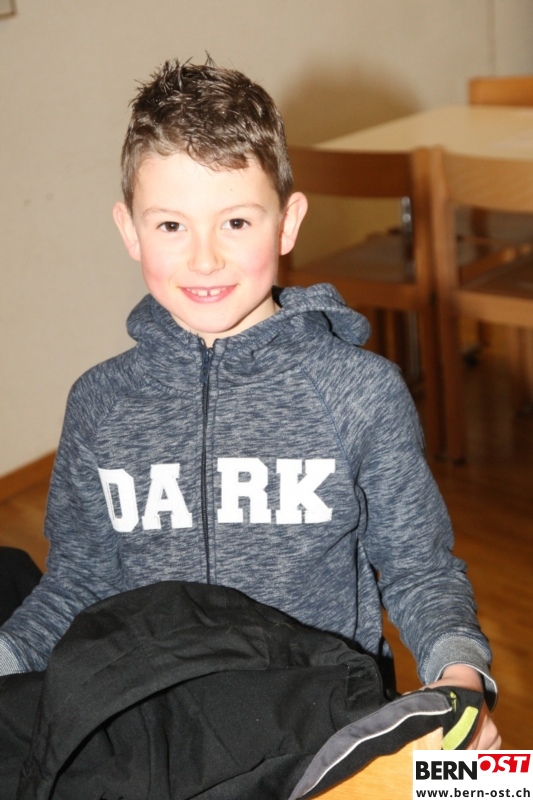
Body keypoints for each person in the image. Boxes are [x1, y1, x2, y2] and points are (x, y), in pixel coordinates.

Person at [0, 58, 499, 749]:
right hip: (154, 733)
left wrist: (459, 674)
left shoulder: (359, 393)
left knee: (489, 789)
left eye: (235, 221)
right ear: (130, 230)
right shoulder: (99, 405)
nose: (204, 259)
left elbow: (419, 569)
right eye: (170, 226)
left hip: (318, 726)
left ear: (287, 223)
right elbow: (77, 583)